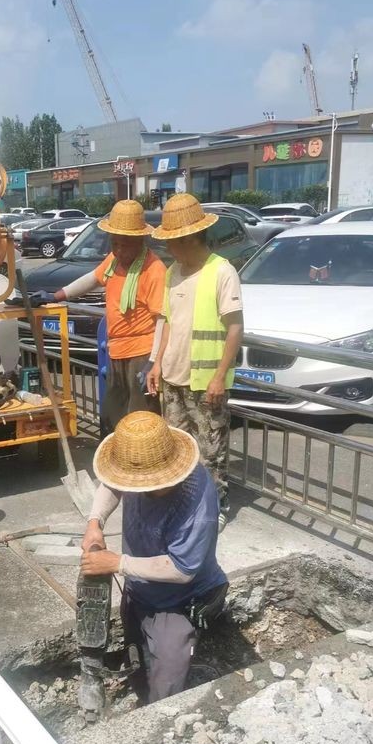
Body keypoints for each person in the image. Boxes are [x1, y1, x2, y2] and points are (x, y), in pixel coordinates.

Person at [81, 410, 229, 703]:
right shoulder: (135, 468)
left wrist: (117, 563)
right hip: (140, 587)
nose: (135, 490)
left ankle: (161, 720)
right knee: (136, 651)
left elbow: (181, 568)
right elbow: (112, 484)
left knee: (167, 679)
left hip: (179, 599)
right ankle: (141, 691)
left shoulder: (196, 504)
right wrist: (94, 522)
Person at [146, 194, 243, 528]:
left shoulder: (221, 272)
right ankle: (183, 505)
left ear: (189, 239)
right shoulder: (174, 272)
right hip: (173, 379)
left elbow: (235, 329)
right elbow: (169, 322)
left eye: (173, 242)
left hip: (205, 383)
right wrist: (158, 363)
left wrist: (219, 377)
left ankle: (215, 509)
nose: (169, 249)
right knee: (176, 449)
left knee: (211, 451)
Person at [51, 200, 166, 431]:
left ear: (140, 241)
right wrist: (58, 295)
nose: (119, 250)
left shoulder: (154, 270)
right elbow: (93, 279)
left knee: (140, 420)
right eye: (115, 244)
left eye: (125, 245)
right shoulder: (114, 261)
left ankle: (138, 465)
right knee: (114, 415)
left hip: (141, 354)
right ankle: (113, 462)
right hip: (117, 351)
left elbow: (161, 320)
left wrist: (154, 362)